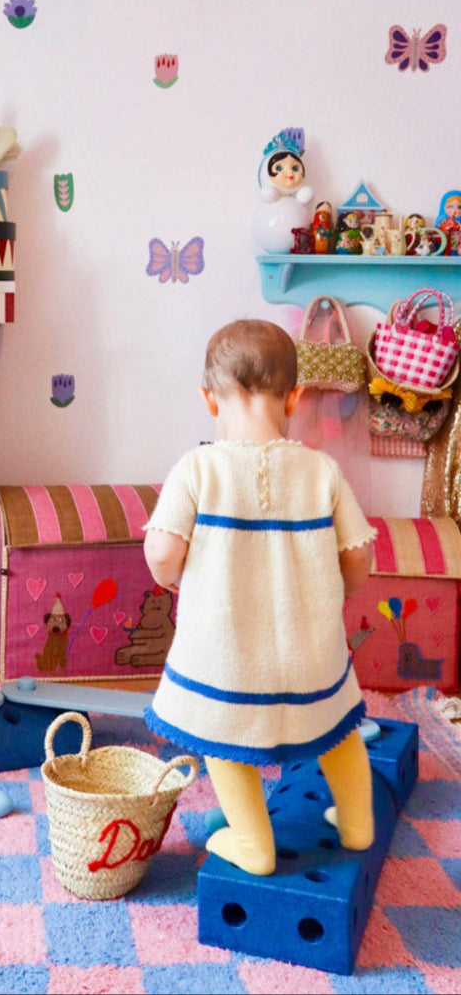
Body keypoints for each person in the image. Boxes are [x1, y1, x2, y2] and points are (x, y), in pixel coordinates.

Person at [142, 319, 376, 875]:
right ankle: (358, 823)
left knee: (226, 740)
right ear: (295, 397)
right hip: (310, 652)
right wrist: (338, 591)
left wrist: (170, 577)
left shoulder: (197, 469)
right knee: (337, 727)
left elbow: (162, 553)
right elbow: (359, 556)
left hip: (226, 658)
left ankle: (253, 844)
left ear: (208, 399)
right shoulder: (323, 471)